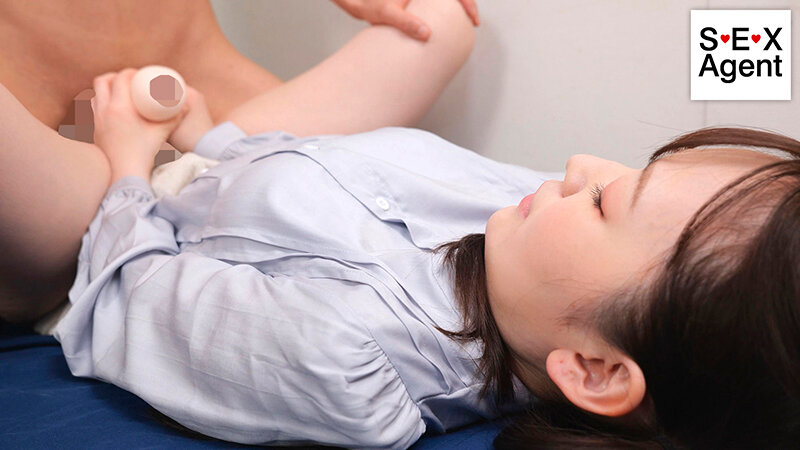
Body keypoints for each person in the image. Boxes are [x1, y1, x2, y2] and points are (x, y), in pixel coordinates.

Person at [59, 66, 800, 448]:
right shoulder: (526, 223)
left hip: (108, 234)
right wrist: (215, 140)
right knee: (438, 20)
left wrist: (126, 164)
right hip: (226, 154)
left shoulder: (350, 362)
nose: (581, 165)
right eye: (628, 170)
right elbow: (338, 170)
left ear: (595, 370)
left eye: (607, 202)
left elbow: (134, 298)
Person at [0, 0, 479, 324]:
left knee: (441, 17)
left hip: (208, 104)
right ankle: (133, 216)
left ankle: (198, 184)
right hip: (60, 173)